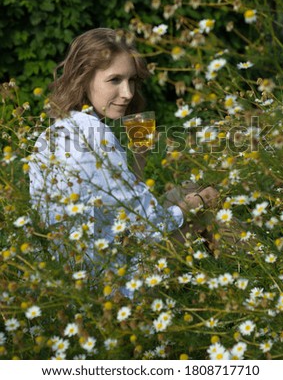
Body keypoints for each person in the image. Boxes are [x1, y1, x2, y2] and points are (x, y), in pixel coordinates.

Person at [29, 28, 218, 260]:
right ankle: (251, 275)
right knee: (208, 208)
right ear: (83, 78)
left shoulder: (52, 132)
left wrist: (139, 159)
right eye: (114, 80)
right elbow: (148, 228)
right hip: (108, 272)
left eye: (131, 80)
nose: (127, 93)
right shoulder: (95, 133)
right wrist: (194, 205)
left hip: (71, 261)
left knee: (185, 191)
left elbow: (125, 207)